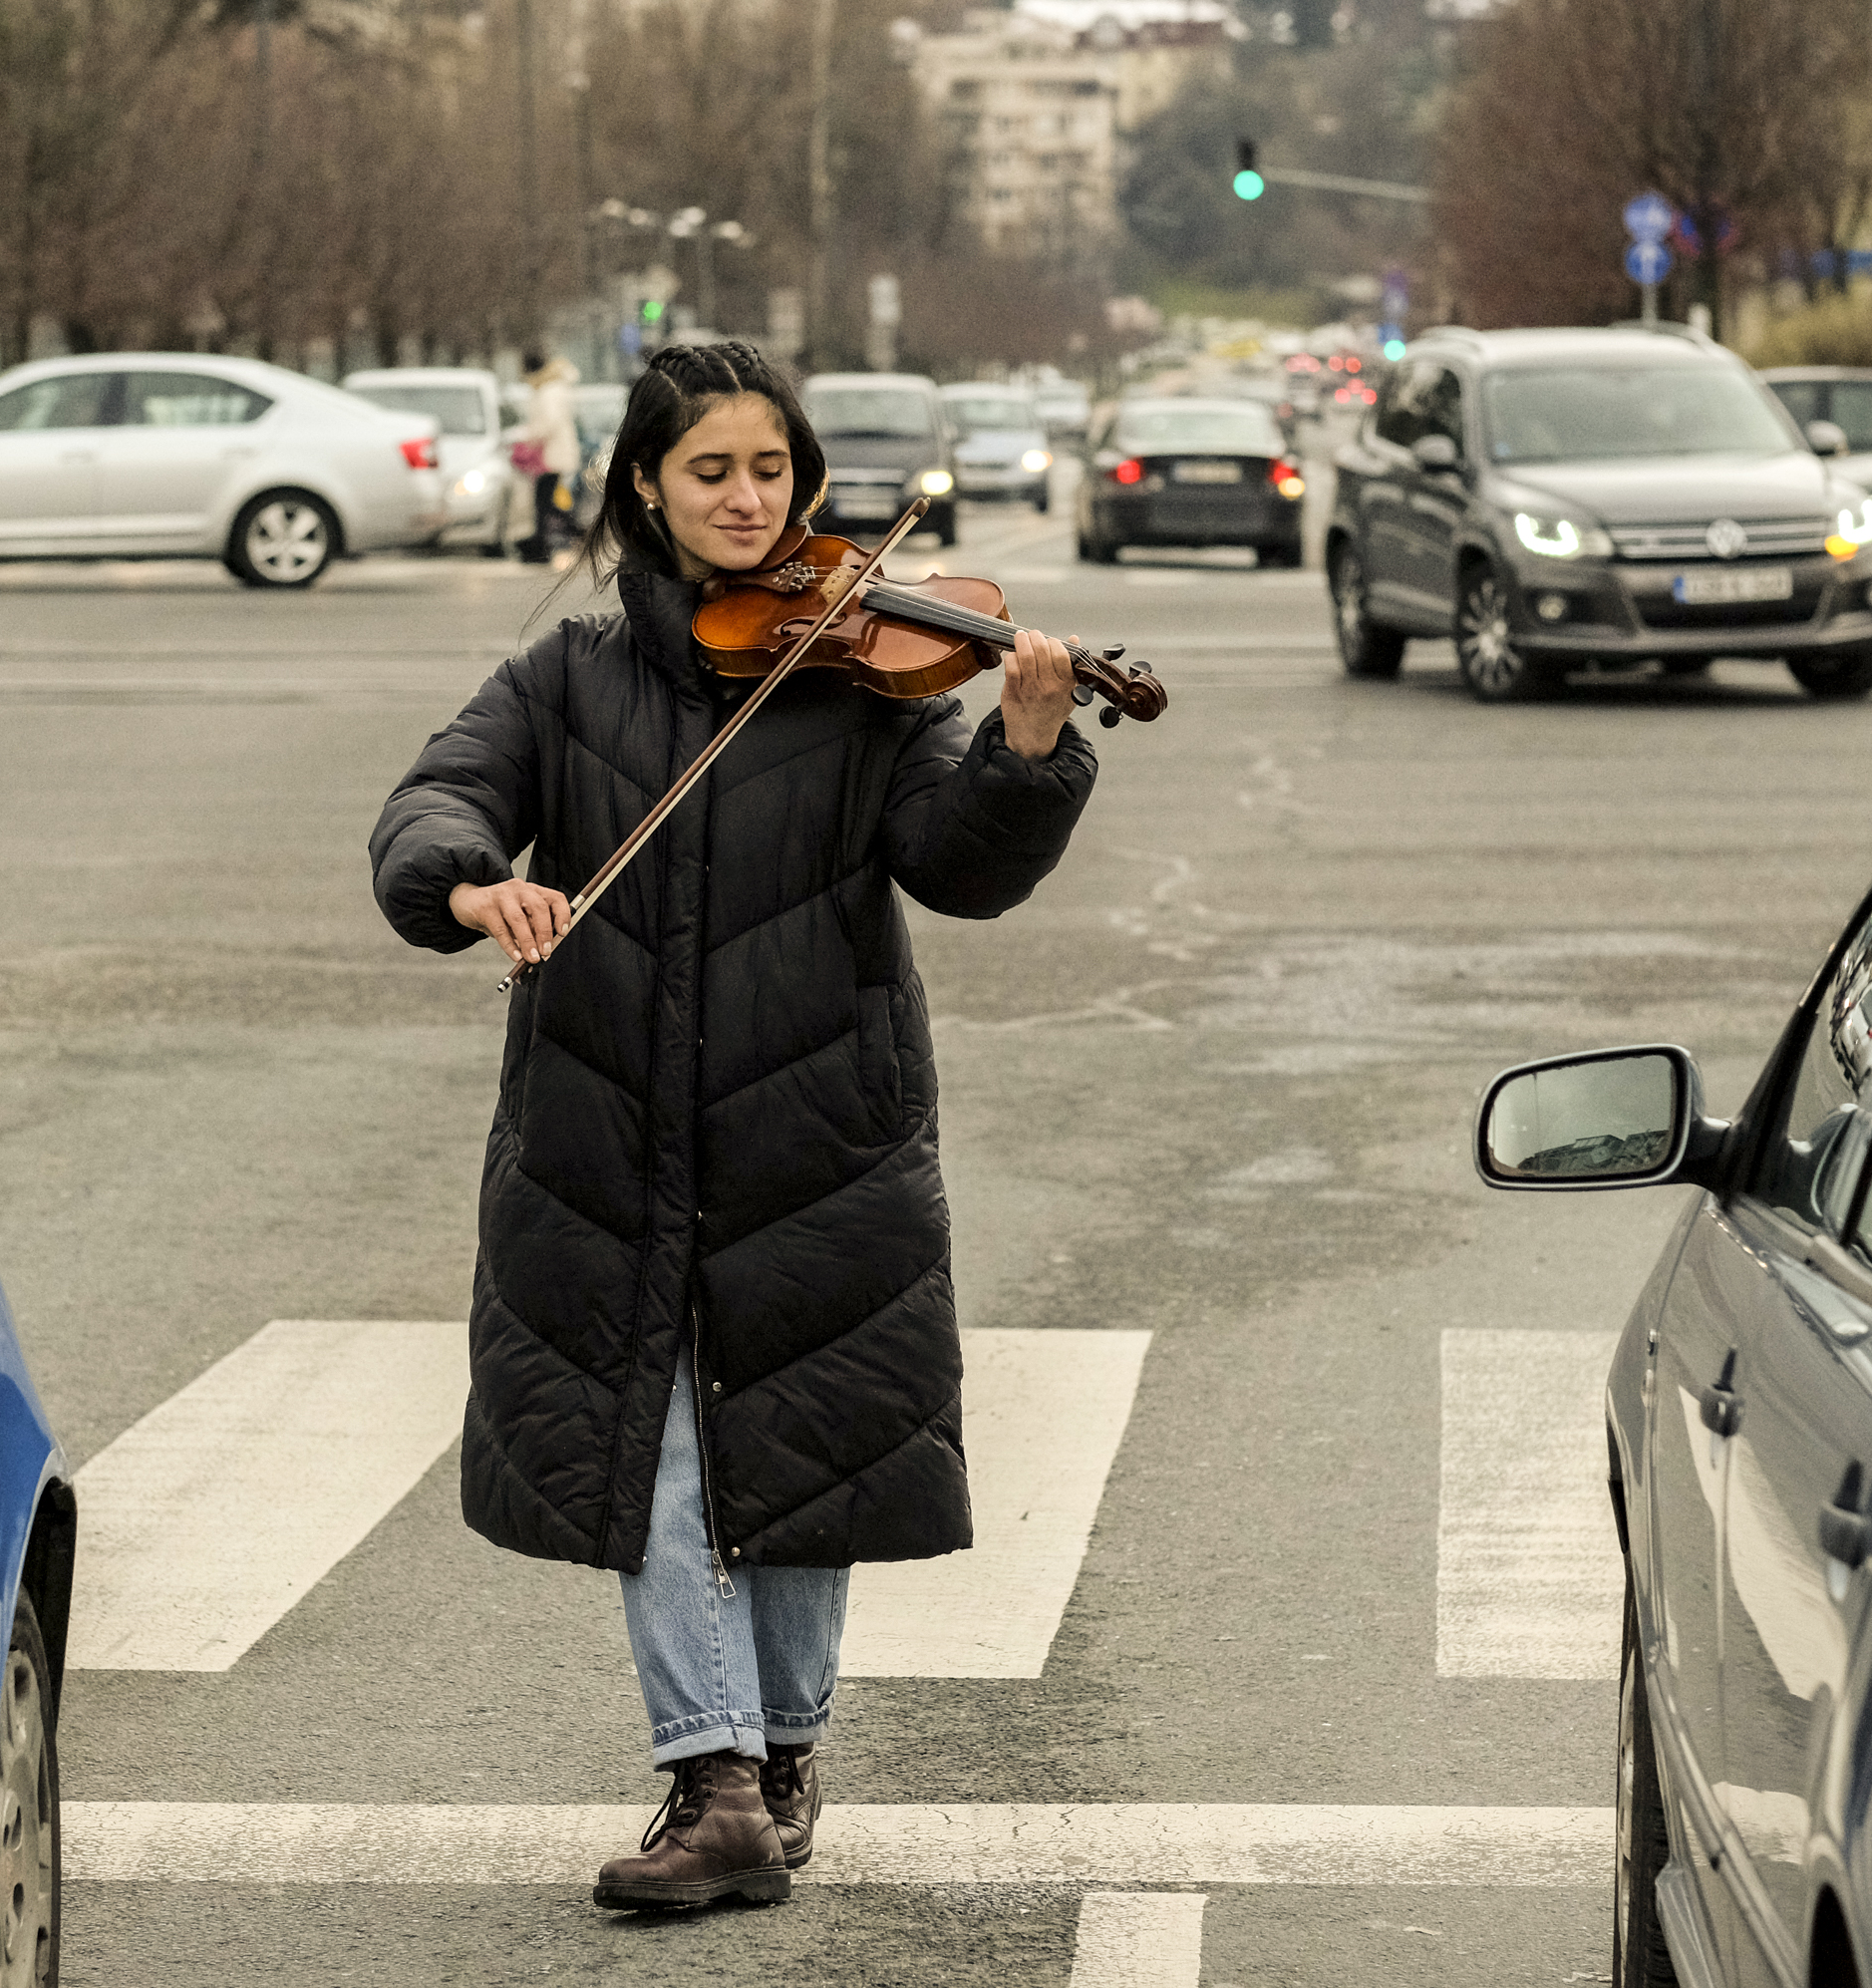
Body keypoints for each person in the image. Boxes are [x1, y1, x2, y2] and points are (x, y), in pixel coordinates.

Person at [369, 340, 1101, 1912]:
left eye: (770, 470)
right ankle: (709, 1777)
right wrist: (468, 882)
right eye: (709, 470)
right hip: (606, 1130)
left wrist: (1028, 749)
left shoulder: (865, 678)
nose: (747, 499)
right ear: (644, 483)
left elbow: (956, 864)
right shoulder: (562, 676)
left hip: (814, 1123)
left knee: (801, 1444)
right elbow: (432, 802)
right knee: (664, 1451)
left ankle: (775, 1761)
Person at [514, 348, 582, 562]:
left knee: (544, 501)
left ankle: (572, 533)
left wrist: (532, 437)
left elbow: (548, 422)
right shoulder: (552, 387)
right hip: (554, 453)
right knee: (546, 499)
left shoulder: (547, 390)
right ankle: (552, 538)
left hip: (551, 454)